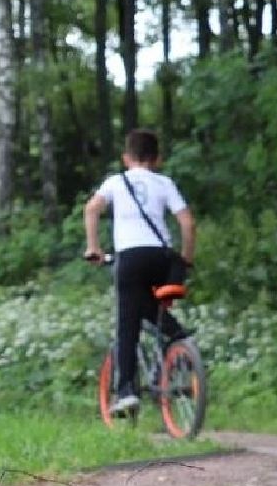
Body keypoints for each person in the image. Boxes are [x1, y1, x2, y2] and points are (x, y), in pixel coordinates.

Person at [83, 128, 196, 415]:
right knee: (151, 308)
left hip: (131, 258)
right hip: (163, 259)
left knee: (127, 326)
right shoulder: (164, 183)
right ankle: (180, 340)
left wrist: (94, 247)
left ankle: (126, 393)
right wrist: (185, 259)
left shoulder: (115, 182)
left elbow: (92, 209)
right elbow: (187, 223)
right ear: (157, 159)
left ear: (126, 158)